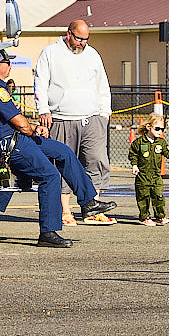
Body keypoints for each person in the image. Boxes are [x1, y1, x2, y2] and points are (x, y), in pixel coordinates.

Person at [0, 50, 116, 247]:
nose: (10, 66)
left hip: (17, 138)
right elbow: (20, 124)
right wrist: (33, 130)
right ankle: (48, 232)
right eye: (7, 63)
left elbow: (18, 123)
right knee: (50, 176)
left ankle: (88, 202)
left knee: (64, 152)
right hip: (12, 144)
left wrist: (33, 129)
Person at [34, 19, 115, 225]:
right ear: (69, 33)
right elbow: (41, 83)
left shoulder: (92, 54)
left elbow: (102, 85)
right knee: (63, 165)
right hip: (61, 119)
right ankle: (65, 212)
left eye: (86, 39)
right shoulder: (50, 53)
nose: (82, 43)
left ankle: (93, 209)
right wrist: (43, 109)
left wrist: (104, 113)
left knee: (96, 162)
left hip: (92, 118)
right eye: (79, 38)